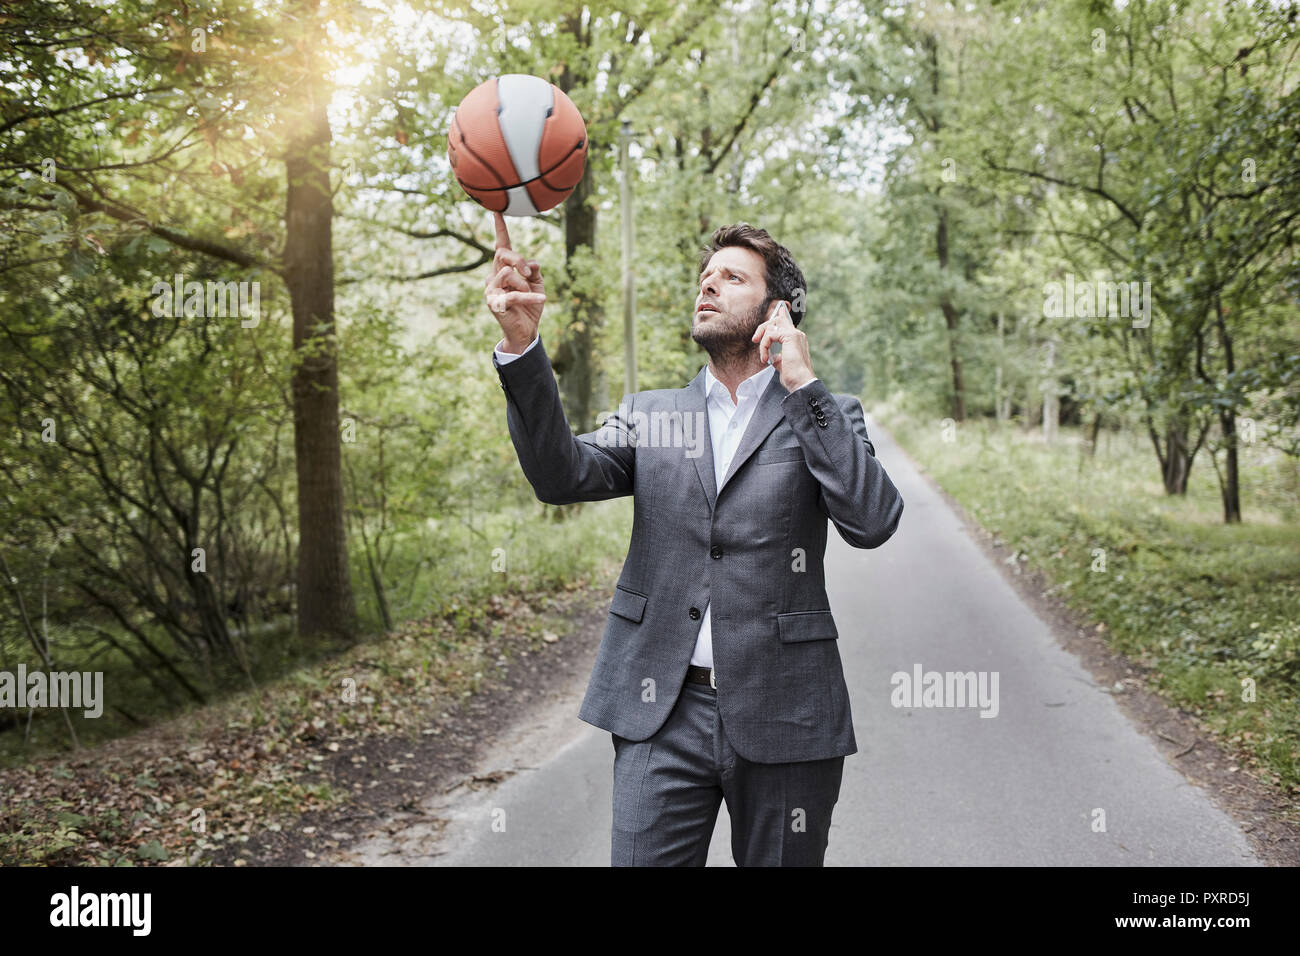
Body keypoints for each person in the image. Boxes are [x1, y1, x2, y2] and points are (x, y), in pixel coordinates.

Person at [486, 211, 904, 866]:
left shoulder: (825, 413)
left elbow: (873, 519)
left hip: (787, 716)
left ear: (779, 311)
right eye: (705, 276)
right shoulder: (650, 415)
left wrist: (801, 382)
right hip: (659, 711)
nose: (707, 286)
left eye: (732, 278)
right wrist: (522, 348)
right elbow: (562, 475)